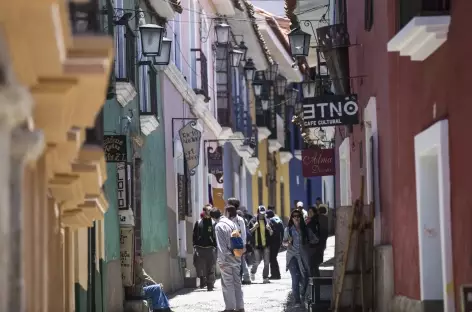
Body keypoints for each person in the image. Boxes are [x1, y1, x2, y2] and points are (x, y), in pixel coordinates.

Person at [210, 207, 245, 312]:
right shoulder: (231, 223)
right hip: (237, 255)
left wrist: (221, 261)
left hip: (227, 258)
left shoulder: (218, 226)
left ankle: (230, 307)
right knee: (237, 282)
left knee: (227, 283)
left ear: (213, 217)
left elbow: (221, 246)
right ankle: (240, 307)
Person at [283, 210, 311, 308]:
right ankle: (297, 301)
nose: (296, 218)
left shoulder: (305, 229)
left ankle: (302, 294)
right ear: (291, 218)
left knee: (305, 278)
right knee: (295, 277)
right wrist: (288, 243)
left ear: (301, 217)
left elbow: (313, 240)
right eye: (294, 216)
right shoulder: (288, 230)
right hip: (292, 256)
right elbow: (284, 243)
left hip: (303, 256)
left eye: (298, 216)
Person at [227, 198, 251, 285]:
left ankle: (241, 279)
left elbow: (243, 232)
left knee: (239, 262)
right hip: (229, 244)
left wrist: (243, 245)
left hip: (237, 243)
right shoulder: (227, 219)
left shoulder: (239, 219)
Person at [192, 204, 217, 291]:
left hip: (210, 248)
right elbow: (194, 235)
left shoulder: (214, 223)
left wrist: (215, 245)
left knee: (210, 266)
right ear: (204, 211)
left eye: (211, 210)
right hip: (199, 247)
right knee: (199, 266)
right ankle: (202, 279)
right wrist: (195, 245)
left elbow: (215, 236)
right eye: (208, 210)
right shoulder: (198, 222)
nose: (209, 212)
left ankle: (210, 285)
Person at [248, 205, 273, 283]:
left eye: (263, 213)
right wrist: (254, 227)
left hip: (266, 244)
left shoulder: (268, 221)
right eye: (260, 213)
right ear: (258, 212)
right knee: (257, 261)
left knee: (266, 262)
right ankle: (252, 272)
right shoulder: (253, 221)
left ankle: (265, 278)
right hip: (256, 245)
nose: (262, 215)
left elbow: (272, 233)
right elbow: (249, 232)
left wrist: (270, 230)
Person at [266, 209, 284, 280]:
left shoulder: (271, 220)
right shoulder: (278, 219)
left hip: (273, 242)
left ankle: (275, 275)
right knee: (273, 258)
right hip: (278, 241)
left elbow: (271, 232)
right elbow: (282, 231)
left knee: (272, 258)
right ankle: (276, 274)